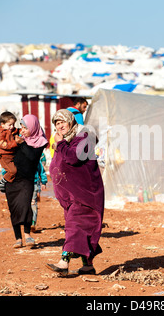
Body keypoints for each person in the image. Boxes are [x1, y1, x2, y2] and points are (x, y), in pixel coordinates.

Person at [46, 109, 104, 276]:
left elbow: (73, 157)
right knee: (83, 230)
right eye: (57, 123)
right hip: (73, 194)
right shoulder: (68, 139)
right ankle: (88, 266)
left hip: (86, 194)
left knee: (75, 226)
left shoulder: (85, 136)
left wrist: (60, 143)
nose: (60, 125)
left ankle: (64, 262)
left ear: (71, 121)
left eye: (63, 121)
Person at [5, 114, 48, 248]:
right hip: (12, 179)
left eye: (25, 128)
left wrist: (21, 143)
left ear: (33, 127)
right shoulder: (19, 139)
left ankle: (28, 234)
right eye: (21, 127)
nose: (22, 130)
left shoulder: (40, 142)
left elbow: (32, 157)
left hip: (27, 179)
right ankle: (18, 238)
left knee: (25, 205)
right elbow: (8, 155)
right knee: (14, 208)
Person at [0, 111, 19, 191]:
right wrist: (15, 143)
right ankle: (3, 181)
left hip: (11, 155)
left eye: (13, 124)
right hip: (4, 156)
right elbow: (4, 145)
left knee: (16, 170)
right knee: (12, 171)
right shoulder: (0, 134)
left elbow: (17, 130)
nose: (12, 127)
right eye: (10, 125)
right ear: (2, 124)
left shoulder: (11, 130)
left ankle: (9, 184)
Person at [31, 152, 48, 232]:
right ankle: (29, 222)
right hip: (24, 184)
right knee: (28, 203)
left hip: (34, 183)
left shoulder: (38, 155)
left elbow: (42, 170)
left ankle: (32, 223)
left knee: (33, 202)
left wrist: (43, 182)